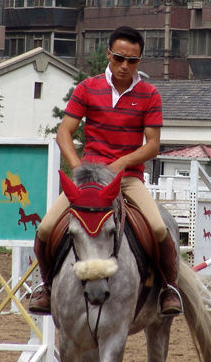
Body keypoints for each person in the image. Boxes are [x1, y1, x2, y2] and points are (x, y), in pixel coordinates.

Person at [29, 25, 182, 317]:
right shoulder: (88, 87)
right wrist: (79, 169)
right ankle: (46, 286)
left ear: (140, 60)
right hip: (90, 181)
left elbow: (152, 146)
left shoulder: (150, 94)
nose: (125, 65)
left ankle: (168, 288)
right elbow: (65, 133)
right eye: (119, 58)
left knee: (160, 228)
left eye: (132, 60)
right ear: (109, 54)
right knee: (46, 227)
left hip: (127, 180)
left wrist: (121, 164)